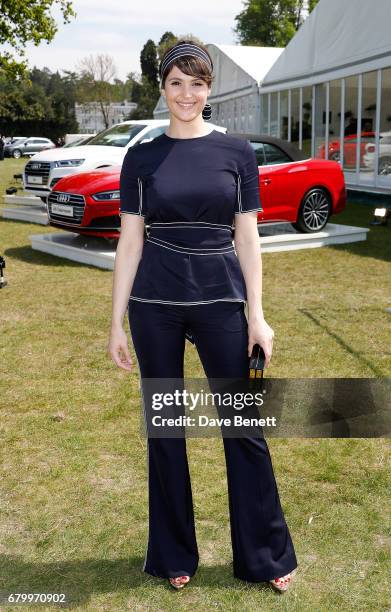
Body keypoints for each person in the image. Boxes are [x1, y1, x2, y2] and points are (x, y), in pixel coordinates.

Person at [108, 39, 298, 594]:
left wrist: (256, 316)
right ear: (162, 88)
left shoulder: (237, 152)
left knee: (244, 429)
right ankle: (172, 554)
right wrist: (116, 321)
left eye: (197, 83)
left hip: (221, 304)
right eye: (176, 83)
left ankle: (264, 556)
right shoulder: (141, 156)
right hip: (154, 309)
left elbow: (248, 237)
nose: (186, 94)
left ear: (209, 89)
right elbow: (129, 242)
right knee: (165, 432)